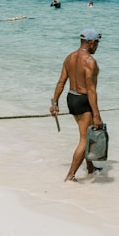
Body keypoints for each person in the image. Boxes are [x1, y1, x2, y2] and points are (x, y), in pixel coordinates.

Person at [50, 28, 103, 182]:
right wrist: (96, 115)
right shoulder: (90, 62)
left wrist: (55, 103)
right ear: (92, 42)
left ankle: (90, 168)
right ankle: (70, 176)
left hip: (71, 98)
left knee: (87, 133)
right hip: (83, 100)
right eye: (97, 42)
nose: (98, 46)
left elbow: (61, 82)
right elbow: (91, 91)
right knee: (85, 139)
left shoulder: (70, 57)